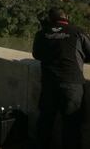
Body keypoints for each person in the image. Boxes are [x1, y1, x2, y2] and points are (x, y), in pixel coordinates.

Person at [33, 8, 90, 149]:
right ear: (67, 17)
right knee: (72, 125)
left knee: (45, 121)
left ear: (50, 19)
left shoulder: (42, 33)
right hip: (72, 84)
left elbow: (37, 54)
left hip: (49, 83)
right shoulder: (78, 31)